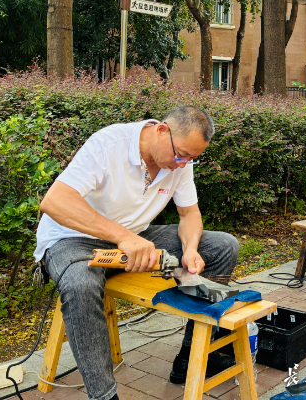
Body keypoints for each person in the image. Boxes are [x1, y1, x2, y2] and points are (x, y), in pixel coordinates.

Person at [35, 107, 240, 400]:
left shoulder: (180, 162)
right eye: (181, 155)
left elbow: (189, 214)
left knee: (223, 245)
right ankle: (104, 395)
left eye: (191, 159)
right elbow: (55, 201)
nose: (183, 164)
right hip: (74, 239)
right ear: (162, 130)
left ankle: (191, 357)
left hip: (135, 237)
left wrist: (190, 249)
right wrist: (123, 237)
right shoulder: (109, 144)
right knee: (80, 284)